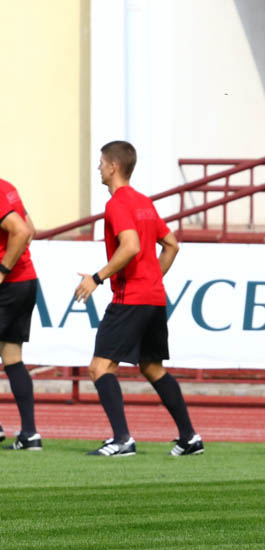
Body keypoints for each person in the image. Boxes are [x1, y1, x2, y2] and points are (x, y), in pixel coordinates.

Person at [74, 140, 202, 457]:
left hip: (130, 297)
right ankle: (189, 438)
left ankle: (122, 440)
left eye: (101, 162)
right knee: (152, 367)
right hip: (154, 298)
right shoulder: (144, 202)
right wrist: (152, 278)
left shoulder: (117, 203)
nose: (98, 167)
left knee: (100, 368)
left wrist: (97, 278)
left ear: (113, 166)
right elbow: (171, 245)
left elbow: (130, 246)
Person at [0, 178, 42, 450]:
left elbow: (21, 230)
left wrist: (3, 270)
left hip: (9, 284)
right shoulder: (6, 186)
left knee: (13, 356)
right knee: (13, 357)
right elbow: (31, 229)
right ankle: (29, 434)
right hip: (26, 280)